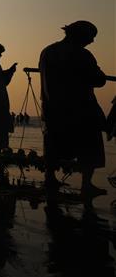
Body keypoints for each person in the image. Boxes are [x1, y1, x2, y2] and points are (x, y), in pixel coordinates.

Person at [39, 21, 108, 197]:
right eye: (90, 37)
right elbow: (99, 80)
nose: (92, 41)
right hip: (81, 108)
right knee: (90, 145)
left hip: (52, 107)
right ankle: (86, 184)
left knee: (54, 143)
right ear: (81, 36)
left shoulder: (47, 51)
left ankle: (50, 178)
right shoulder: (82, 54)